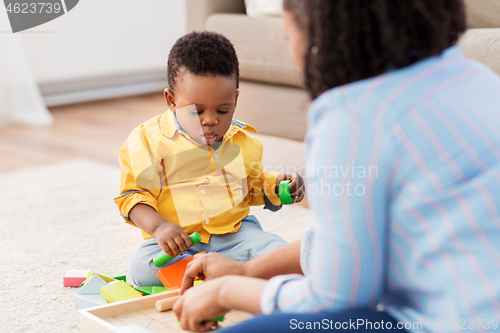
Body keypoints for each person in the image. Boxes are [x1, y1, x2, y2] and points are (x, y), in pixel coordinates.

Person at [173, 0, 500, 332]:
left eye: (289, 37)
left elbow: (334, 302)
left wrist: (229, 292)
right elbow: (344, 243)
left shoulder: (353, 116)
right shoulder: (482, 81)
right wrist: (245, 271)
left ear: (321, 35)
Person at [114, 31, 305, 287]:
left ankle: (221, 271)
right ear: (171, 100)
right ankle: (227, 272)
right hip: (181, 243)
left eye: (223, 110)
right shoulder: (147, 141)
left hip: (236, 235)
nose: (210, 120)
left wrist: (280, 187)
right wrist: (160, 228)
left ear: (235, 100)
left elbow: (251, 186)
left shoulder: (244, 141)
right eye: (197, 111)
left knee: (281, 253)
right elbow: (133, 196)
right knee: (142, 268)